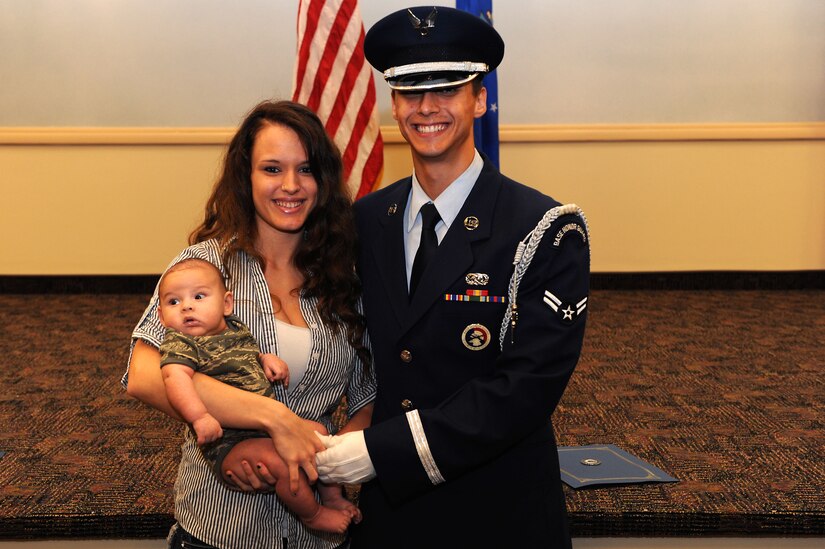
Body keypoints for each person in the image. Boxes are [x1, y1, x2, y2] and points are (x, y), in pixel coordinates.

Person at [313, 6, 591, 548]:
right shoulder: (368, 220)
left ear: (480, 98)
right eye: (410, 90)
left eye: (447, 88)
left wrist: (378, 451)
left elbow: (525, 389)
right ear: (393, 104)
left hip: (498, 509)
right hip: (393, 515)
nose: (427, 107)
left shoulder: (544, 228)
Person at [122, 100, 375, 549]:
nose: (291, 186)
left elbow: (366, 397)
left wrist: (331, 461)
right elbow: (144, 377)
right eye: (273, 169)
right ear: (247, 177)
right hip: (221, 524)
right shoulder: (203, 269)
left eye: (306, 170)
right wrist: (274, 419)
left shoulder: (345, 279)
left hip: (316, 531)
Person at [156, 257, 359, 534]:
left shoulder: (235, 328)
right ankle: (312, 515)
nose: (187, 306)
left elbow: (247, 356)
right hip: (229, 440)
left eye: (199, 296)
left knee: (318, 435)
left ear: (226, 304)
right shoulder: (180, 343)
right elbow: (174, 379)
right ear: (161, 316)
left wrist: (266, 359)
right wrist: (200, 416)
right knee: (281, 466)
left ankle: (333, 496)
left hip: (267, 429)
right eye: (173, 302)